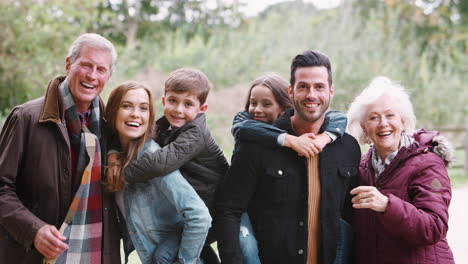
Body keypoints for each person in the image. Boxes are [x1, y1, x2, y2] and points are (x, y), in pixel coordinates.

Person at [215, 50, 361, 264]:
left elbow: (351, 217)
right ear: (291, 92)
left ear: (331, 91)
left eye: (319, 87)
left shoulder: (347, 147)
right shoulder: (257, 146)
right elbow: (228, 209)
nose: (311, 94)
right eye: (303, 86)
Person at [0, 33, 121, 263]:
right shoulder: (26, 118)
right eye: (85, 65)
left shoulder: (111, 126)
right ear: (68, 64)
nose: (91, 75)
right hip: (32, 256)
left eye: (101, 69)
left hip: (97, 255)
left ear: (109, 75)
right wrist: (33, 230)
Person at [120, 68, 229, 263]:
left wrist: (123, 173)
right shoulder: (166, 125)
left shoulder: (195, 134)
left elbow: (160, 164)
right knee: (189, 248)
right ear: (163, 101)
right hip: (200, 210)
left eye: (188, 104)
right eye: (173, 101)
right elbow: (144, 136)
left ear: (201, 109)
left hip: (218, 212)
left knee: (163, 256)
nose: (178, 109)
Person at [346, 76, 455, 264]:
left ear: (403, 121)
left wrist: (387, 206)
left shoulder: (428, 164)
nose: (383, 123)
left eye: (390, 115)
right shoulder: (361, 167)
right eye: (373, 117)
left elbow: (434, 227)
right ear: (364, 127)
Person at [104, 81, 211, 264]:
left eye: (143, 108)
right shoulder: (113, 154)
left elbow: (199, 216)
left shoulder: (152, 158)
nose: (135, 114)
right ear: (113, 111)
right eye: (126, 106)